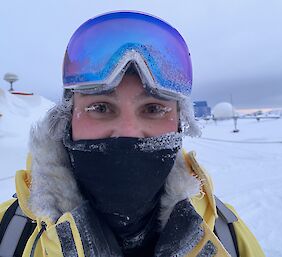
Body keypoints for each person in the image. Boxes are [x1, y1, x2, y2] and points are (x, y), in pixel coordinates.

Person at [0, 11, 265, 257]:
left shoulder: (226, 237)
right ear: (67, 120)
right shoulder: (9, 234)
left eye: (153, 109)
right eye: (100, 107)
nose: (128, 132)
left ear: (179, 124)